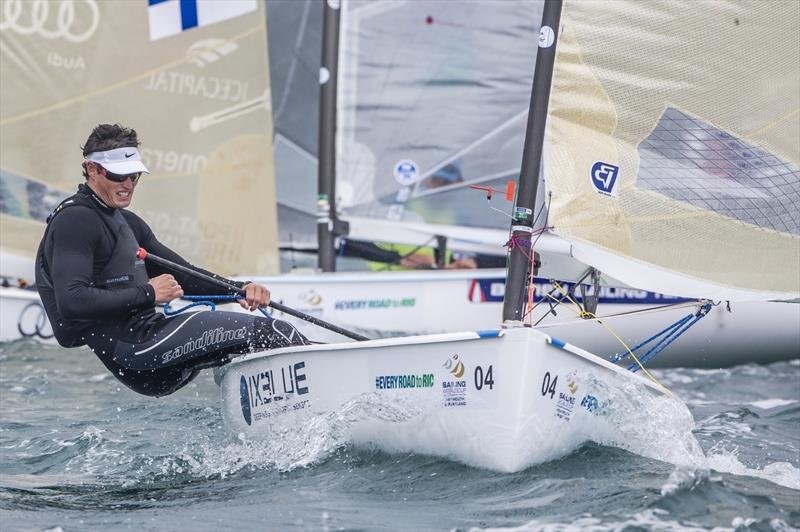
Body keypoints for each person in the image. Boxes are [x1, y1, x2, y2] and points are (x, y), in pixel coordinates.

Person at [35, 124, 309, 397]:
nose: (128, 184)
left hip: (153, 349)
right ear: (93, 170)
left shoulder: (127, 222)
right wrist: (149, 292)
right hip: (137, 350)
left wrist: (239, 290)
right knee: (276, 331)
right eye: (119, 176)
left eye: (134, 176)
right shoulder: (75, 221)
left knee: (272, 344)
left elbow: (185, 275)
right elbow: (71, 301)